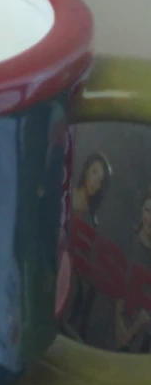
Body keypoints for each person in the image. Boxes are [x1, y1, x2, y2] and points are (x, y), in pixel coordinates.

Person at [62, 152, 111, 342]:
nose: (95, 182)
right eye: (94, 173)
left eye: (101, 180)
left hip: (76, 286)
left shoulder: (93, 220)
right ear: (86, 171)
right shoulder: (67, 194)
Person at [115, 189, 151, 354]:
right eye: (148, 211)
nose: (150, 219)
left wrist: (130, 333)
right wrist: (119, 326)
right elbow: (117, 285)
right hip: (114, 323)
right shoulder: (128, 241)